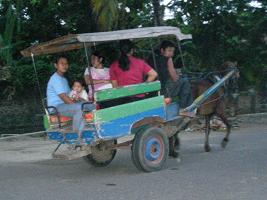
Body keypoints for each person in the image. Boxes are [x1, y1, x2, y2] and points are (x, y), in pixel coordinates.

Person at [46, 55, 95, 138]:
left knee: (90, 104)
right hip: (57, 107)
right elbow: (64, 97)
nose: (65, 65)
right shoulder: (55, 79)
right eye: (62, 63)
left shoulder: (63, 79)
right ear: (56, 65)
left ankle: (92, 125)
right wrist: (77, 104)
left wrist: (80, 100)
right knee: (79, 108)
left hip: (64, 105)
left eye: (66, 63)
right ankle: (75, 134)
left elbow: (70, 96)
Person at [148, 40, 195, 117]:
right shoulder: (168, 59)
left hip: (154, 88)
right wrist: (180, 77)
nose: (171, 53)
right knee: (185, 81)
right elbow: (175, 78)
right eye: (169, 50)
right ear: (162, 50)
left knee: (183, 79)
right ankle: (184, 108)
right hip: (164, 90)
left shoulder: (152, 59)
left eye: (172, 51)